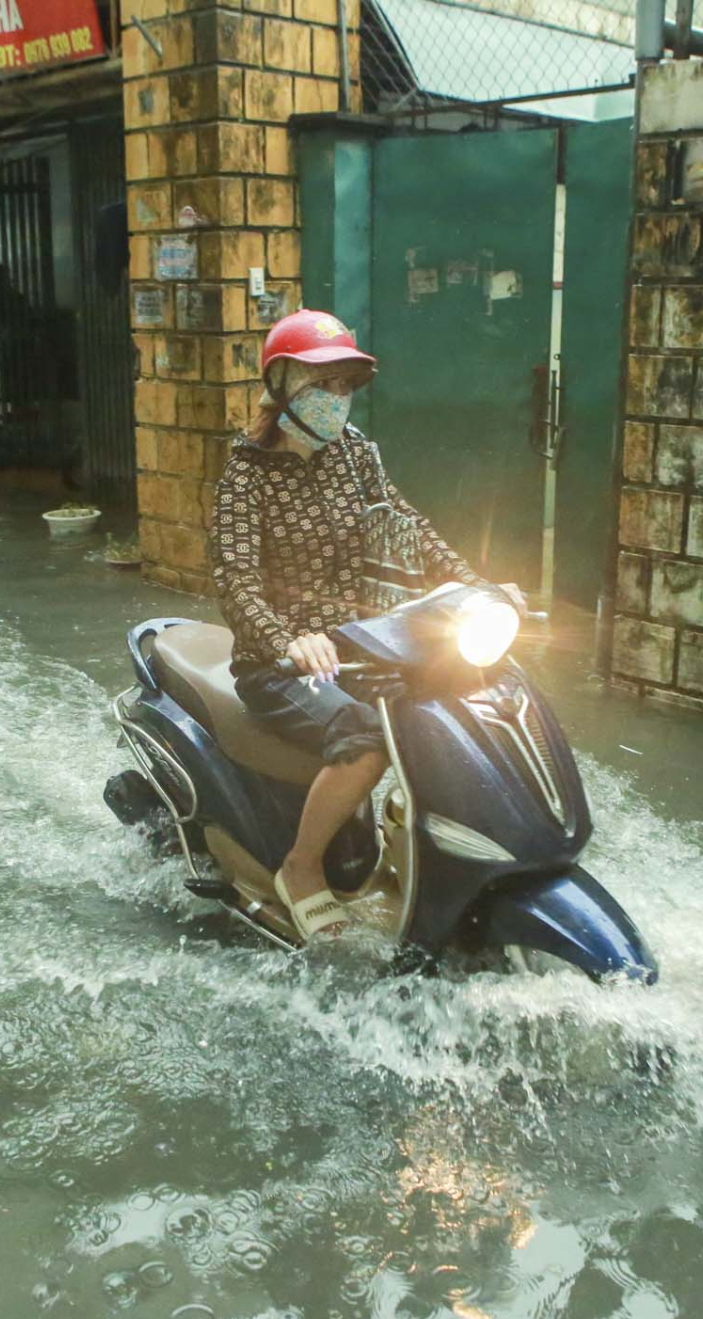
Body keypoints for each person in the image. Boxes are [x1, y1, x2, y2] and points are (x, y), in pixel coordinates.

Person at [208, 310, 524, 942]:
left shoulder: (356, 455)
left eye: (344, 386)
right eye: (321, 386)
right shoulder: (246, 475)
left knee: (455, 704)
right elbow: (235, 579)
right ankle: (299, 868)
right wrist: (286, 641)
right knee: (366, 736)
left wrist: (475, 587)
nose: (336, 401)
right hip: (281, 664)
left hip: (362, 645)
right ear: (283, 387)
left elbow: (409, 525)